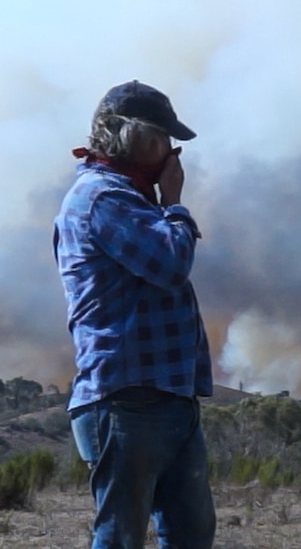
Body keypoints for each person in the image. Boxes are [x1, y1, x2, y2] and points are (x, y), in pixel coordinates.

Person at [53, 80, 216, 549]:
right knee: (121, 538)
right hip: (127, 399)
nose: (172, 150)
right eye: (164, 138)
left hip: (165, 395)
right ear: (137, 137)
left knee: (190, 534)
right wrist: (177, 204)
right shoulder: (105, 198)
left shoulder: (129, 198)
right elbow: (170, 264)